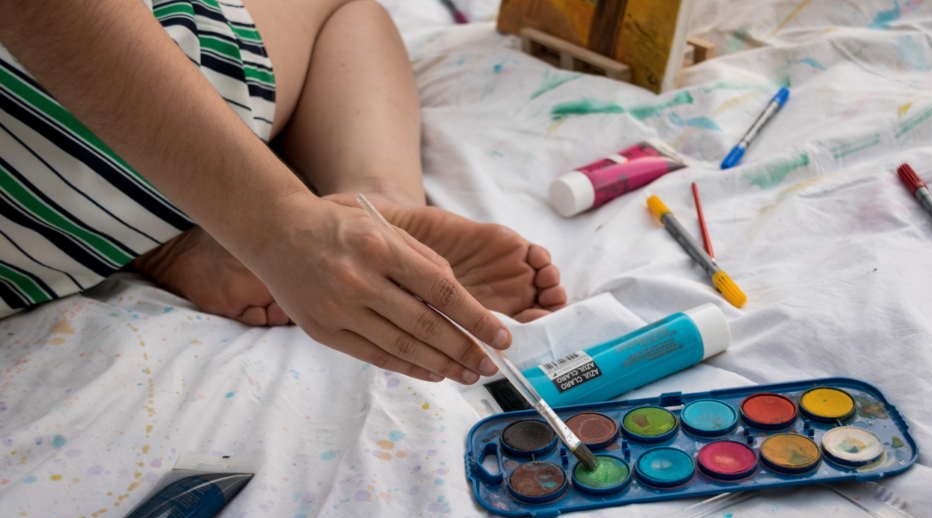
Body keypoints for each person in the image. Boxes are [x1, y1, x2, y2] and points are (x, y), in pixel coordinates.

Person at [0, 0, 567, 385]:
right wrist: (281, 225)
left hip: (17, 257)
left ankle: (180, 235)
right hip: (76, 112)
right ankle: (373, 202)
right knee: (339, 8)